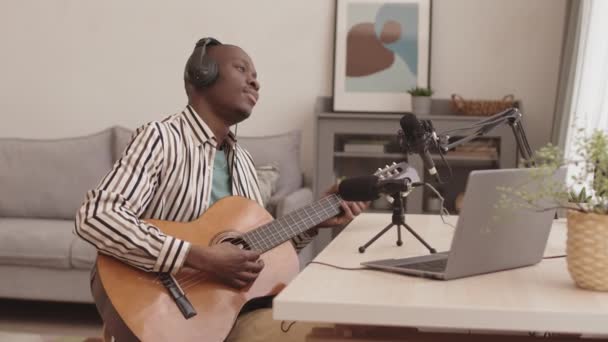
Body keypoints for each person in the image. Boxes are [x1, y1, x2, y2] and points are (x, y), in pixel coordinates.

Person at [74, 37, 368, 341]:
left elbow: (258, 255)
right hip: (148, 294)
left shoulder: (243, 161)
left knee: (334, 330)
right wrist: (197, 256)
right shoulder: (161, 138)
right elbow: (96, 216)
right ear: (202, 76)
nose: (255, 82)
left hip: (221, 307)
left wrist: (313, 223)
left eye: (256, 76)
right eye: (242, 69)